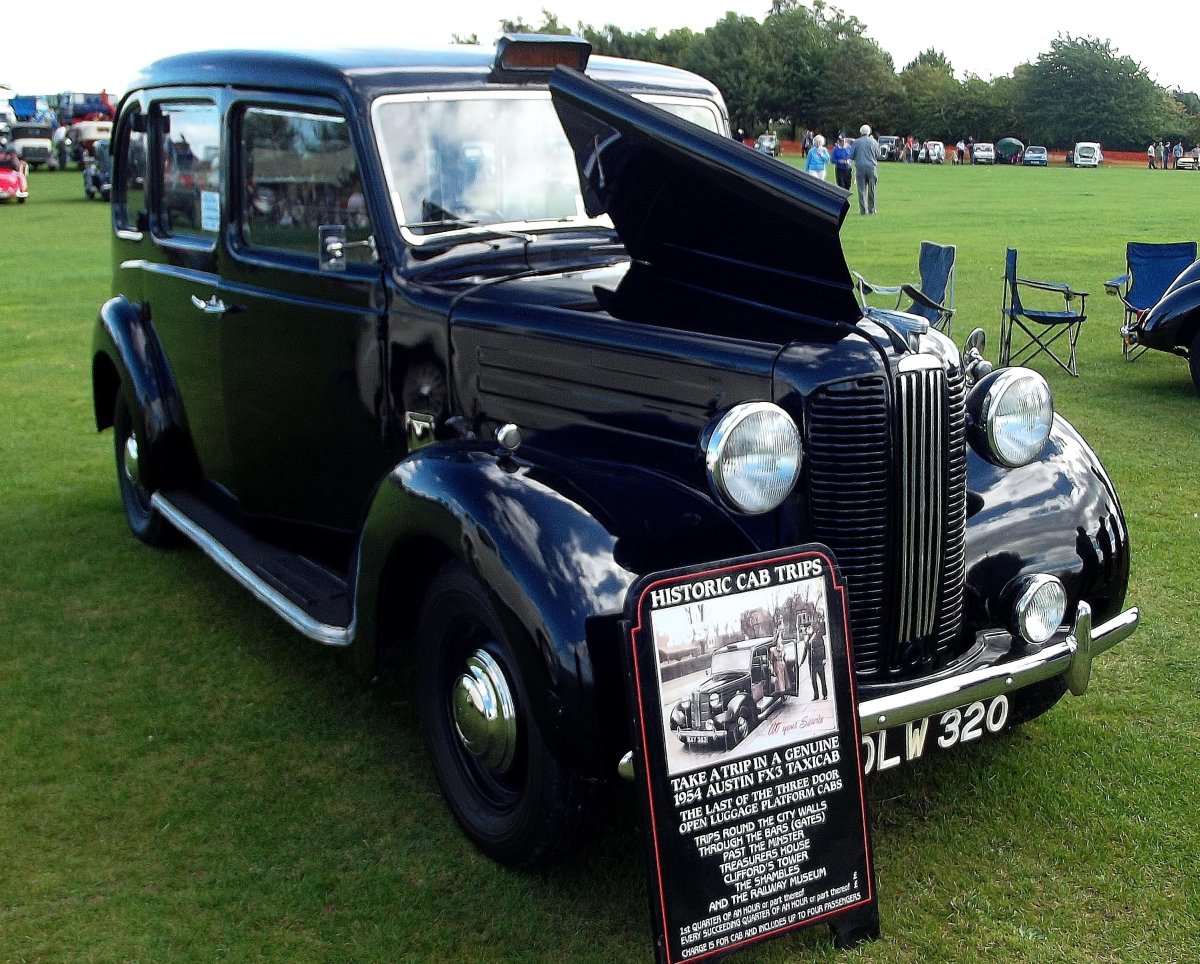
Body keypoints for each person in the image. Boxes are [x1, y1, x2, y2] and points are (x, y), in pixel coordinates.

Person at [796, 608, 828, 701]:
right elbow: (805, 652)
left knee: (822, 678)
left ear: (812, 628)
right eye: (807, 629)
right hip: (811, 662)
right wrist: (801, 662)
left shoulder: (818, 637)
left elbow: (823, 647)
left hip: (819, 660)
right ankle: (816, 695)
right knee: (813, 679)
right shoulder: (807, 640)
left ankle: (825, 694)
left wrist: (824, 658)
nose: (808, 630)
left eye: (809, 628)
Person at [849, 124, 878, 214]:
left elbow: (851, 156)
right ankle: (872, 209)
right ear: (869, 132)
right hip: (871, 167)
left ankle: (863, 210)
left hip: (860, 167)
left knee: (861, 189)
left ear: (860, 132)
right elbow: (877, 154)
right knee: (872, 189)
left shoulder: (856, 142)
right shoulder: (874, 142)